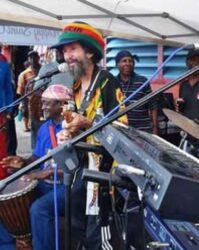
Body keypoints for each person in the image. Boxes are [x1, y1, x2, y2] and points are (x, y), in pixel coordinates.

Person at [51, 21, 128, 249]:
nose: (67, 55)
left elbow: (122, 130)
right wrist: (68, 133)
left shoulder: (107, 82)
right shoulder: (73, 86)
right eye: (64, 51)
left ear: (90, 52)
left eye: (73, 49)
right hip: (79, 169)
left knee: (99, 235)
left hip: (103, 174)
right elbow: (72, 122)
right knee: (76, 225)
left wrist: (87, 122)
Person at [0, 84, 72, 250]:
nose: (42, 106)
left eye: (47, 103)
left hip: (66, 187)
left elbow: (76, 168)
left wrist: (44, 173)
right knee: (4, 193)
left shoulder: (73, 128)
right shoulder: (45, 128)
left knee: (38, 209)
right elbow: (37, 158)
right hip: (46, 184)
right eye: (42, 102)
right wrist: (22, 162)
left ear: (61, 105)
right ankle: (8, 245)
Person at [115, 50, 159, 134]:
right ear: (117, 64)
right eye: (124, 61)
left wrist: (155, 128)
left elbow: (153, 106)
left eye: (130, 61)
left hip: (143, 131)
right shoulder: (113, 82)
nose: (128, 63)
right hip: (121, 131)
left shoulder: (142, 81)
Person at [16, 51, 41, 134]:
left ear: (38, 58)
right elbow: (21, 91)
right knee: (35, 130)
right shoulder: (24, 74)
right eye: (31, 58)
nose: (33, 59)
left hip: (45, 105)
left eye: (35, 57)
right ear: (28, 60)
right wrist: (23, 105)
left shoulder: (44, 70)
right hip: (32, 106)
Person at [0, 52, 14, 179]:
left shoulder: (4, 66)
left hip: (1, 114)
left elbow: (8, 90)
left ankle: (1, 177)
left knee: (1, 149)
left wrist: (9, 112)